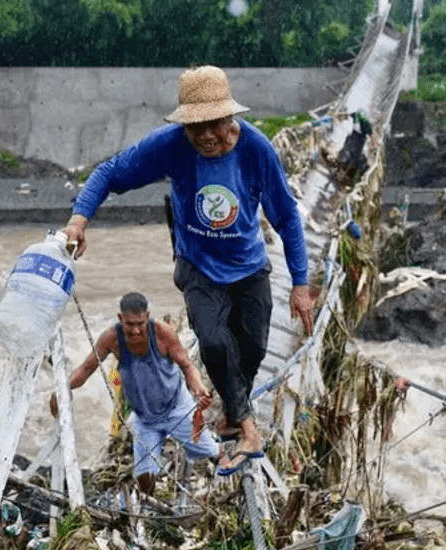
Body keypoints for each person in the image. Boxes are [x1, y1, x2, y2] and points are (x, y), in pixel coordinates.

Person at [62, 65, 315, 476]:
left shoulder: (256, 150)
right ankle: (248, 431)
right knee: (214, 343)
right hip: (199, 267)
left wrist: (300, 283)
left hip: (250, 266)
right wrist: (79, 219)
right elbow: (110, 173)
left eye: (214, 124)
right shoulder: (172, 146)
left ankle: (234, 413)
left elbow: (286, 217)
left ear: (230, 118)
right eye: (195, 127)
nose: (206, 136)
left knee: (252, 348)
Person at [49, 292, 219, 495]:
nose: (136, 330)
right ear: (121, 319)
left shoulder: (163, 333)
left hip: (176, 407)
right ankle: (149, 509)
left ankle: (221, 486)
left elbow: (186, 365)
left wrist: (198, 389)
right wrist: (63, 388)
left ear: (147, 316)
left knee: (210, 453)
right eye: (130, 324)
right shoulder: (111, 338)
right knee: (144, 478)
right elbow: (86, 368)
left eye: (140, 323)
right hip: (145, 417)